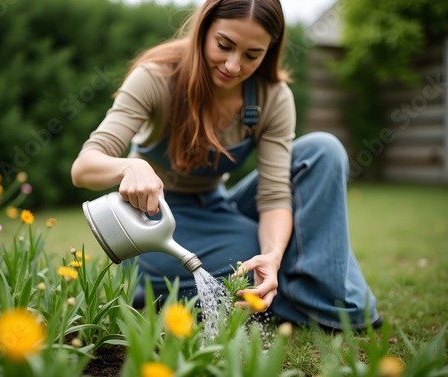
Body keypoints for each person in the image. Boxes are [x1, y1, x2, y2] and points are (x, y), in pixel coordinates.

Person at [71, 0, 381, 330]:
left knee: (322, 150)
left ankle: (293, 287)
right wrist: (129, 168)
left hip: (218, 206)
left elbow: (275, 196)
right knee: (244, 261)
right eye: (224, 45)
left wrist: (273, 256)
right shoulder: (157, 78)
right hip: (157, 222)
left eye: (252, 55)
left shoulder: (271, 97)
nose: (233, 66)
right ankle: (301, 288)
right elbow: (84, 168)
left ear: (269, 51)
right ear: (204, 29)